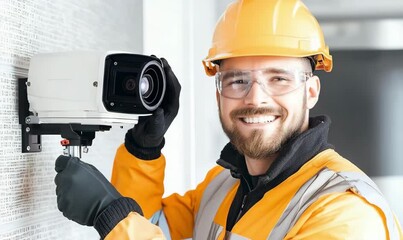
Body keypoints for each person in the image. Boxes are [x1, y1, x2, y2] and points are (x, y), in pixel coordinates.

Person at [54, 0, 403, 239]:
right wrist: (143, 152)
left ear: (311, 91)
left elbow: (128, 227)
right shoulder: (223, 185)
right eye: (237, 80)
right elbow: (152, 227)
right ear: (219, 92)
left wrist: (110, 215)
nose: (255, 98)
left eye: (278, 78)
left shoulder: (344, 212)